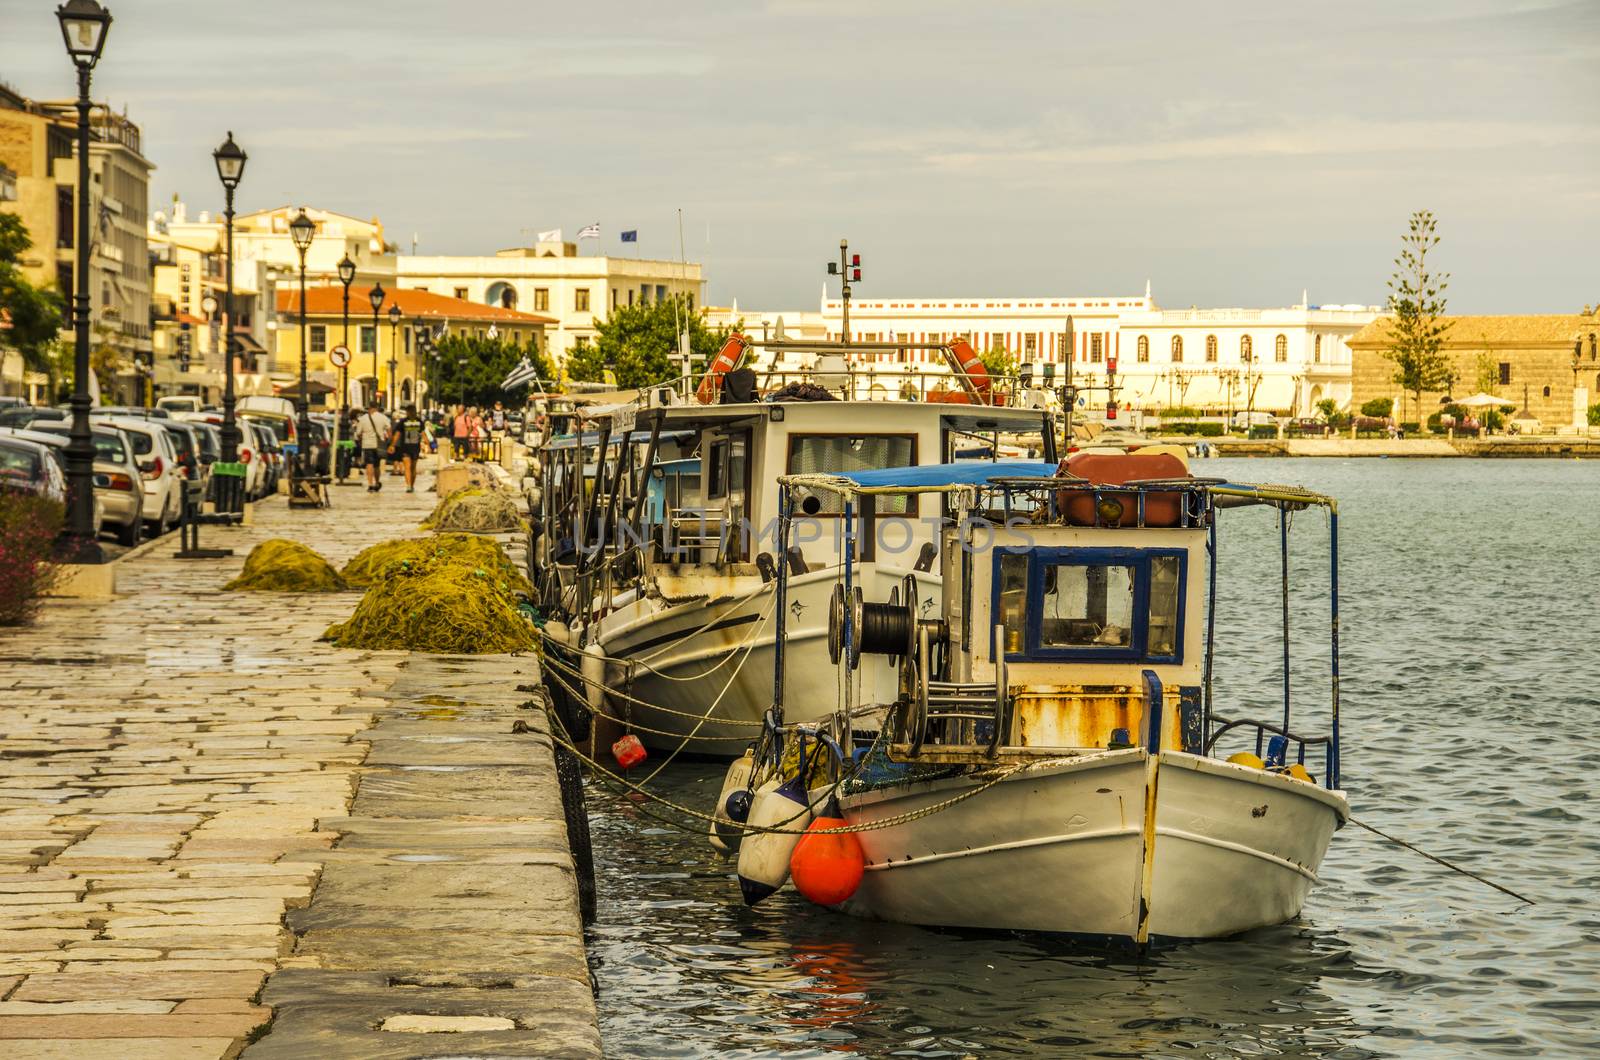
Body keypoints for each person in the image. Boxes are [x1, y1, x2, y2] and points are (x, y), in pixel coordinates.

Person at [352, 400, 392, 492]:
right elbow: (389, 430)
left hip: (367, 444)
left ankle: (370, 484)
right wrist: (388, 441)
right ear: (377, 408)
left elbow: (358, 433)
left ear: (369, 408)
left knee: (369, 464)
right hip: (379, 445)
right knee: (377, 465)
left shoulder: (363, 419)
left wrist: (362, 438)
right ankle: (377, 482)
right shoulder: (383, 417)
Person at [388, 404, 425, 492]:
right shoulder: (419, 421)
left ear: (407, 412)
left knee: (407, 467)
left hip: (405, 447)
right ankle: (411, 485)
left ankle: (408, 486)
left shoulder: (403, 422)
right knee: (413, 467)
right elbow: (423, 434)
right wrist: (429, 445)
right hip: (415, 447)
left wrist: (392, 445)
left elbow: (397, 435)